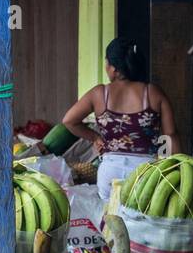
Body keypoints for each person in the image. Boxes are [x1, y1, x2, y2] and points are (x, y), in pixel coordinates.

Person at [61, 37, 179, 204]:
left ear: (114, 68)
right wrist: (177, 168)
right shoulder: (152, 93)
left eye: (107, 63)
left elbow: (69, 120)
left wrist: (95, 137)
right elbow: (171, 134)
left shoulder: (99, 94)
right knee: (145, 223)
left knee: (111, 223)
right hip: (146, 172)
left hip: (110, 170)